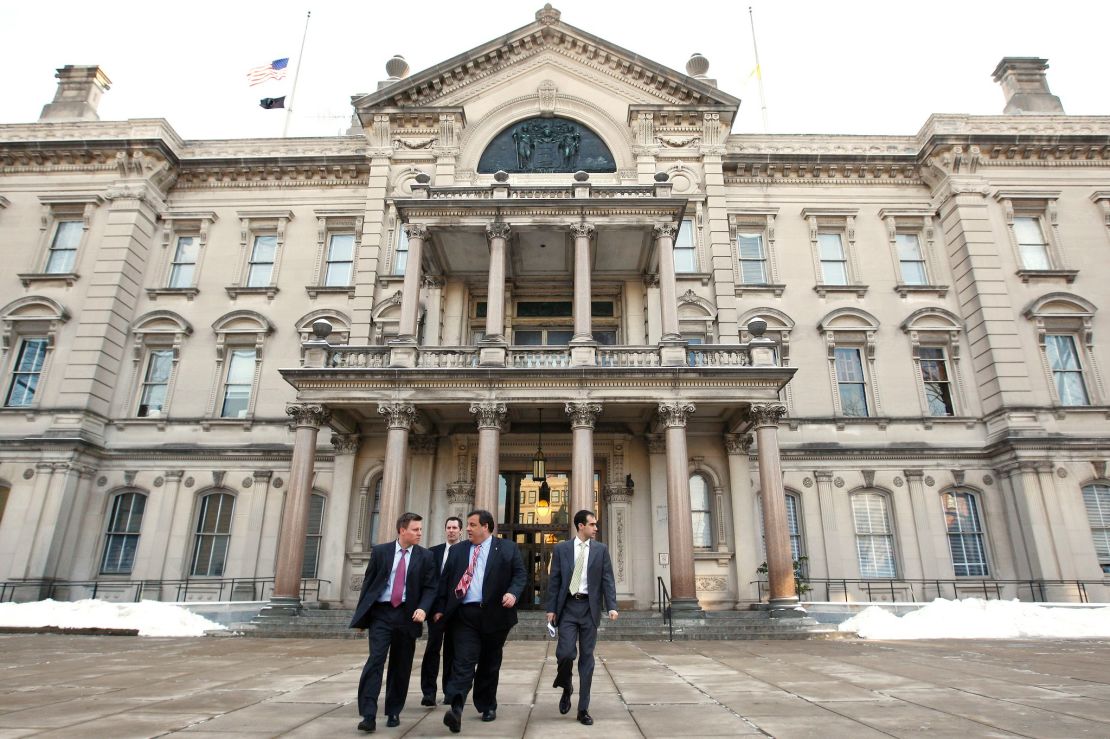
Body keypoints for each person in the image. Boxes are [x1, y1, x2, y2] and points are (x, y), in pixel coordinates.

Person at [433, 509, 526, 733]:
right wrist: (438, 609)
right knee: (463, 661)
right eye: (468, 525)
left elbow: (520, 575)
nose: (468, 529)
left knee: (489, 662)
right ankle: (455, 708)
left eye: (472, 525)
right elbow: (444, 582)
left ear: (485, 527)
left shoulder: (507, 548)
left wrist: (513, 593)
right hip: (465, 615)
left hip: (495, 615)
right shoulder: (458, 551)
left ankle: (487, 705)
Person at [349, 512, 437, 733]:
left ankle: (394, 711)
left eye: (420, 529)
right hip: (381, 614)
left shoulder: (425, 557)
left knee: (401, 666)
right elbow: (369, 585)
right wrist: (362, 618)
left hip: (407, 616)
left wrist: (423, 609)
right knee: (375, 662)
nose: (419, 533)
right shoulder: (381, 552)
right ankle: (368, 714)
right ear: (402, 530)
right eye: (415, 529)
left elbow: (430, 588)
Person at [545, 509, 618, 726]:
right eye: (592, 524)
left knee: (587, 660)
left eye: (596, 524)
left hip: (589, 608)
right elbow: (554, 579)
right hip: (567, 607)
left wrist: (611, 606)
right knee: (565, 654)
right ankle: (566, 686)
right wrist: (551, 609)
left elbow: (608, 580)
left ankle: (583, 708)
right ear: (580, 526)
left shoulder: (601, 550)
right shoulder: (562, 549)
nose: (596, 528)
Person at [420, 515, 463, 706]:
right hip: (436, 611)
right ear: (445, 530)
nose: (452, 530)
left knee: (453, 652)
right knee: (432, 650)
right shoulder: (433, 553)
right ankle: (428, 692)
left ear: (460, 531)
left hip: (456, 611)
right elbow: (430, 583)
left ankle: (449, 691)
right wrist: (436, 608)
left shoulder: (466, 552)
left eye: (455, 527)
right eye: (449, 527)